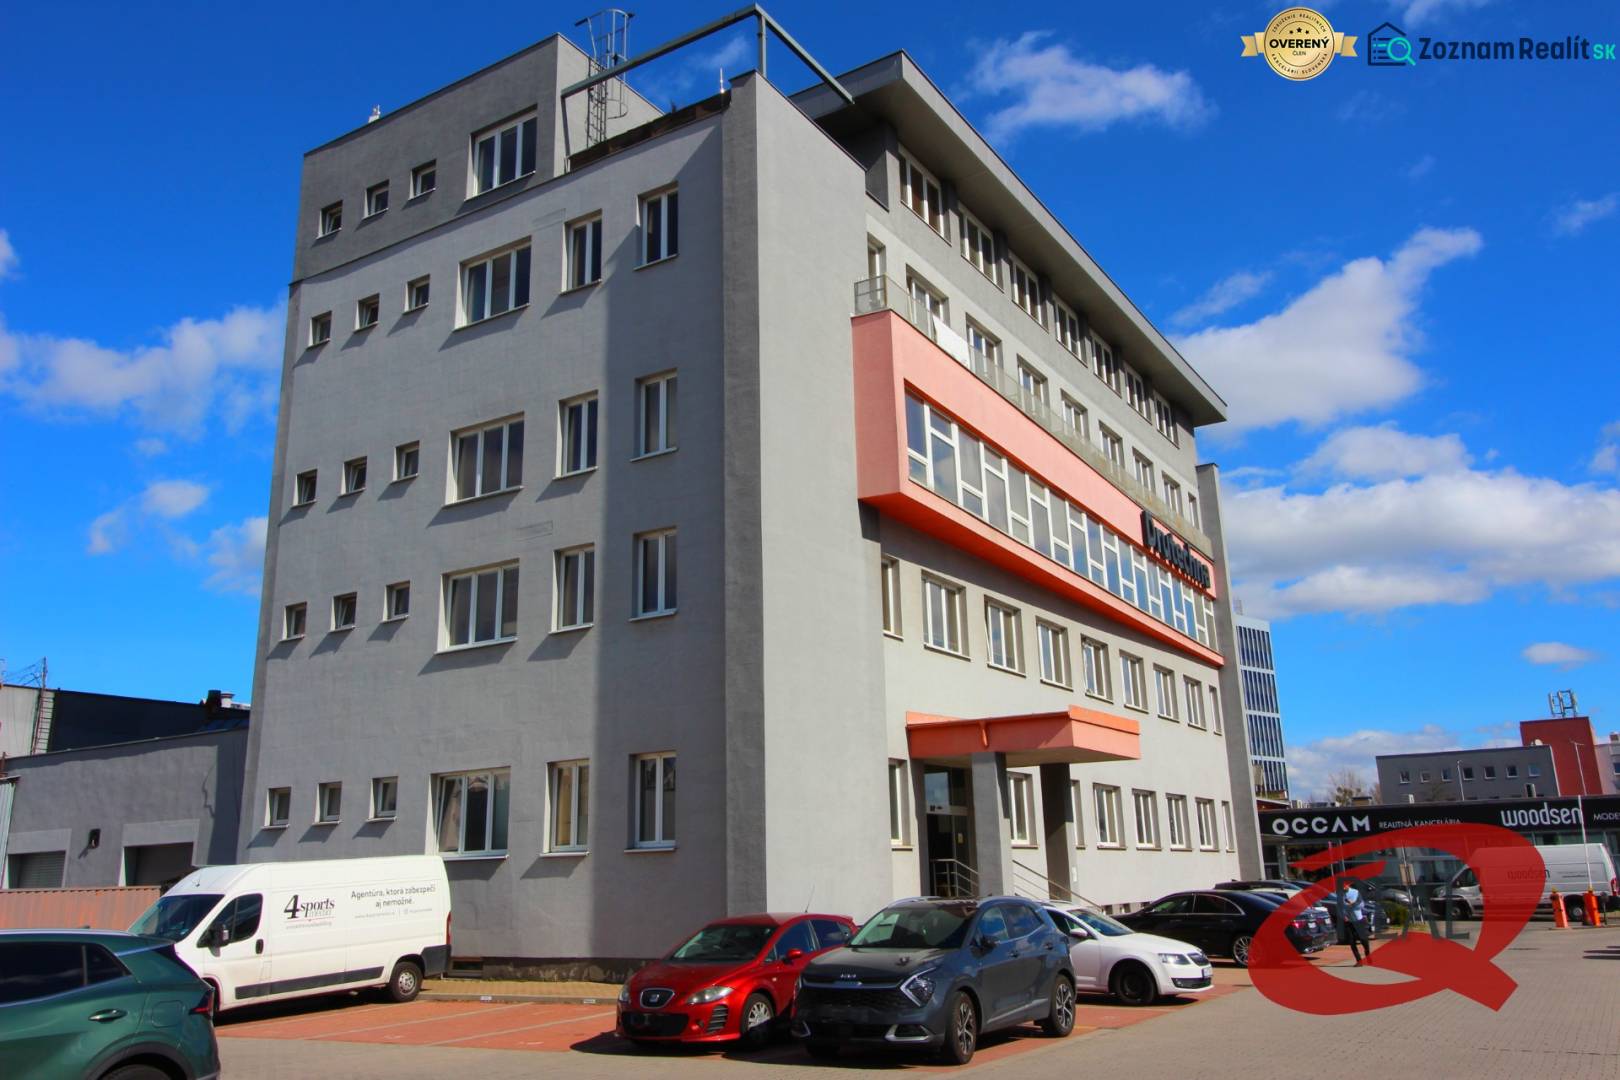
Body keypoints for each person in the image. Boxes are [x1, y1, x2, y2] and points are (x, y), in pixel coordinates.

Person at [1341, 881, 1372, 966]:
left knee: (1364, 941)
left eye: (1344, 886)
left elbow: (1362, 905)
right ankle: (1359, 961)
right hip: (1349, 922)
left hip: (1359, 921)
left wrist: (1353, 904)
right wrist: (1344, 915)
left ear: (1348, 884)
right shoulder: (1341, 895)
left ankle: (1368, 955)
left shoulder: (1355, 892)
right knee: (1352, 942)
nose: (1343, 888)